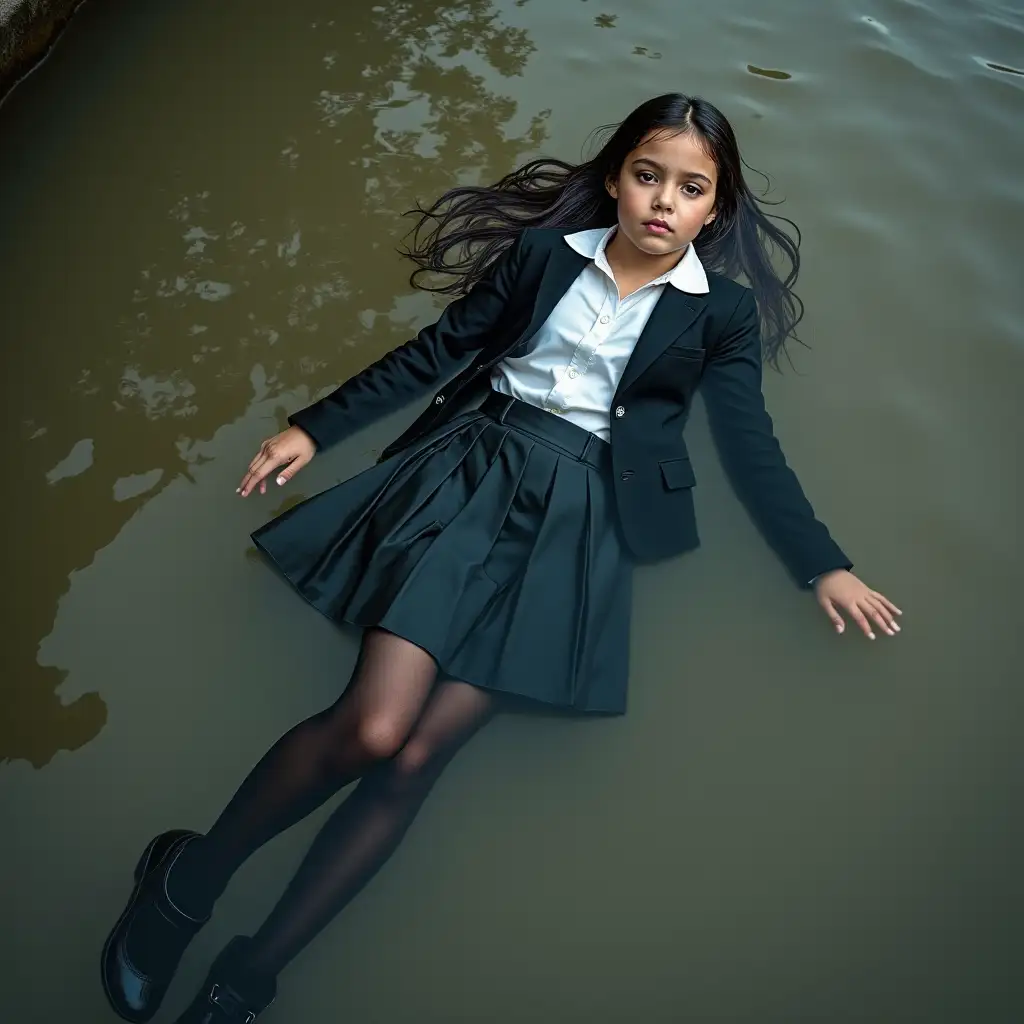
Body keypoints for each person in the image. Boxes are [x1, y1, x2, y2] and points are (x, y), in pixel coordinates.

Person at [100, 93, 901, 1023]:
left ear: (713, 210)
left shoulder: (720, 316)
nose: (662, 202)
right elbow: (441, 351)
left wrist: (821, 564)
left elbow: (750, 448)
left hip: (583, 527)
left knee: (413, 763)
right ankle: (182, 887)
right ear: (615, 177)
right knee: (372, 729)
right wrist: (313, 430)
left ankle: (250, 976)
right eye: (648, 176)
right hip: (474, 478)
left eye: (690, 189)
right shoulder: (541, 259)